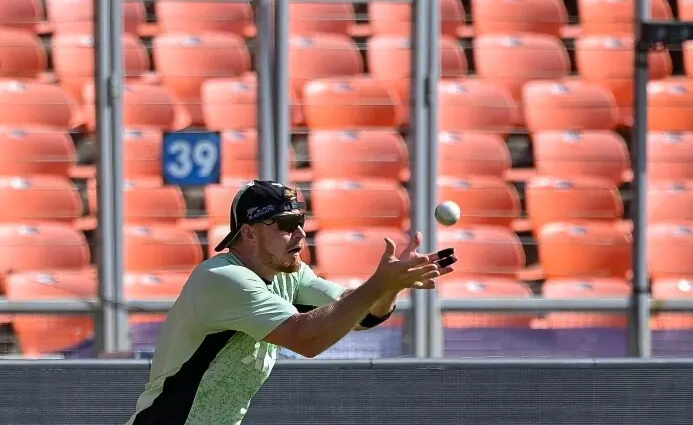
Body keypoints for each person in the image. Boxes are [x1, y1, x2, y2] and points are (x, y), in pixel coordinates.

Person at [125, 180, 457, 425]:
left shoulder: (290, 274)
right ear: (250, 233)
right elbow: (307, 339)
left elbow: (358, 314)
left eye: (300, 222)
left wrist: (391, 287)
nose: (299, 234)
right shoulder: (223, 278)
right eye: (285, 225)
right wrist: (379, 284)